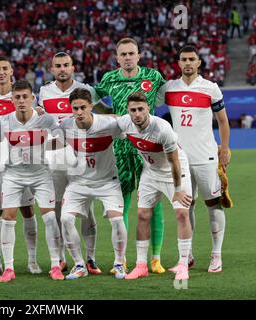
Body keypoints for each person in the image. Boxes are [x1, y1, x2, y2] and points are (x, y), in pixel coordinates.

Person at [94, 38, 167, 274]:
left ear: (139, 55)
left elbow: (167, 98)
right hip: (120, 149)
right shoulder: (109, 79)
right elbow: (92, 101)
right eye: (123, 54)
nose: (127, 57)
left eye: (131, 53)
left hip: (149, 148)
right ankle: (122, 259)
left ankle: (155, 259)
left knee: (153, 204)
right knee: (121, 204)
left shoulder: (153, 77)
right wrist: (111, 115)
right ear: (117, 57)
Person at [158, 45, 230, 272]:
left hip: (206, 156)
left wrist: (224, 150)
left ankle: (216, 255)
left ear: (199, 62)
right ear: (178, 63)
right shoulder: (169, 88)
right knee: (185, 207)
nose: (188, 63)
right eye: (183, 59)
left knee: (213, 204)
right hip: (180, 158)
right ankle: (186, 257)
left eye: (192, 59)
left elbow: (223, 121)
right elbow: (146, 102)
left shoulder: (210, 88)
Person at [38, 52, 105, 274]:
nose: (62, 69)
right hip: (55, 156)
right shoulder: (44, 91)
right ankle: (60, 258)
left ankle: (91, 258)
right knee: (57, 209)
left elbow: (102, 111)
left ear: (73, 67)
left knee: (87, 209)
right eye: (58, 66)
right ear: (52, 69)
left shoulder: (86, 90)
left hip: (81, 155)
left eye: (66, 65)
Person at [116, 92, 192, 281]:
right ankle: (141, 265)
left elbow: (175, 163)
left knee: (182, 213)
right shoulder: (125, 122)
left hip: (175, 172)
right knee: (142, 215)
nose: (137, 114)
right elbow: (108, 120)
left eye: (141, 109)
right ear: (128, 111)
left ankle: (183, 264)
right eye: (133, 110)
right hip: (150, 172)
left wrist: (177, 190)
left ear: (148, 108)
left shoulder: (162, 129)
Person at [0, 56, 41, 274]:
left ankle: (32, 260)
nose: (2, 72)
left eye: (5, 68)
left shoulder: (21, 94)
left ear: (11, 71)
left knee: (27, 209)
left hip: (21, 159)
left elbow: (37, 114)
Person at [0, 80, 64, 283]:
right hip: (13, 174)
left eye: (25, 96)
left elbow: (62, 138)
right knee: (8, 217)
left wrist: (42, 150)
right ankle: (8, 268)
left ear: (32, 99)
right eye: (17, 97)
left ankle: (55, 265)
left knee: (50, 218)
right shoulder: (5, 121)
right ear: (11, 100)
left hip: (40, 173)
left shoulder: (45, 119)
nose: (21, 100)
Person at [58, 88, 128, 280]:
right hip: (78, 182)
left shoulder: (110, 124)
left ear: (91, 107)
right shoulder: (64, 126)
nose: (79, 112)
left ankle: (119, 263)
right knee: (65, 219)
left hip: (107, 182)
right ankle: (79, 264)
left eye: (82, 107)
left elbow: (130, 124)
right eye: (75, 108)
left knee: (116, 219)